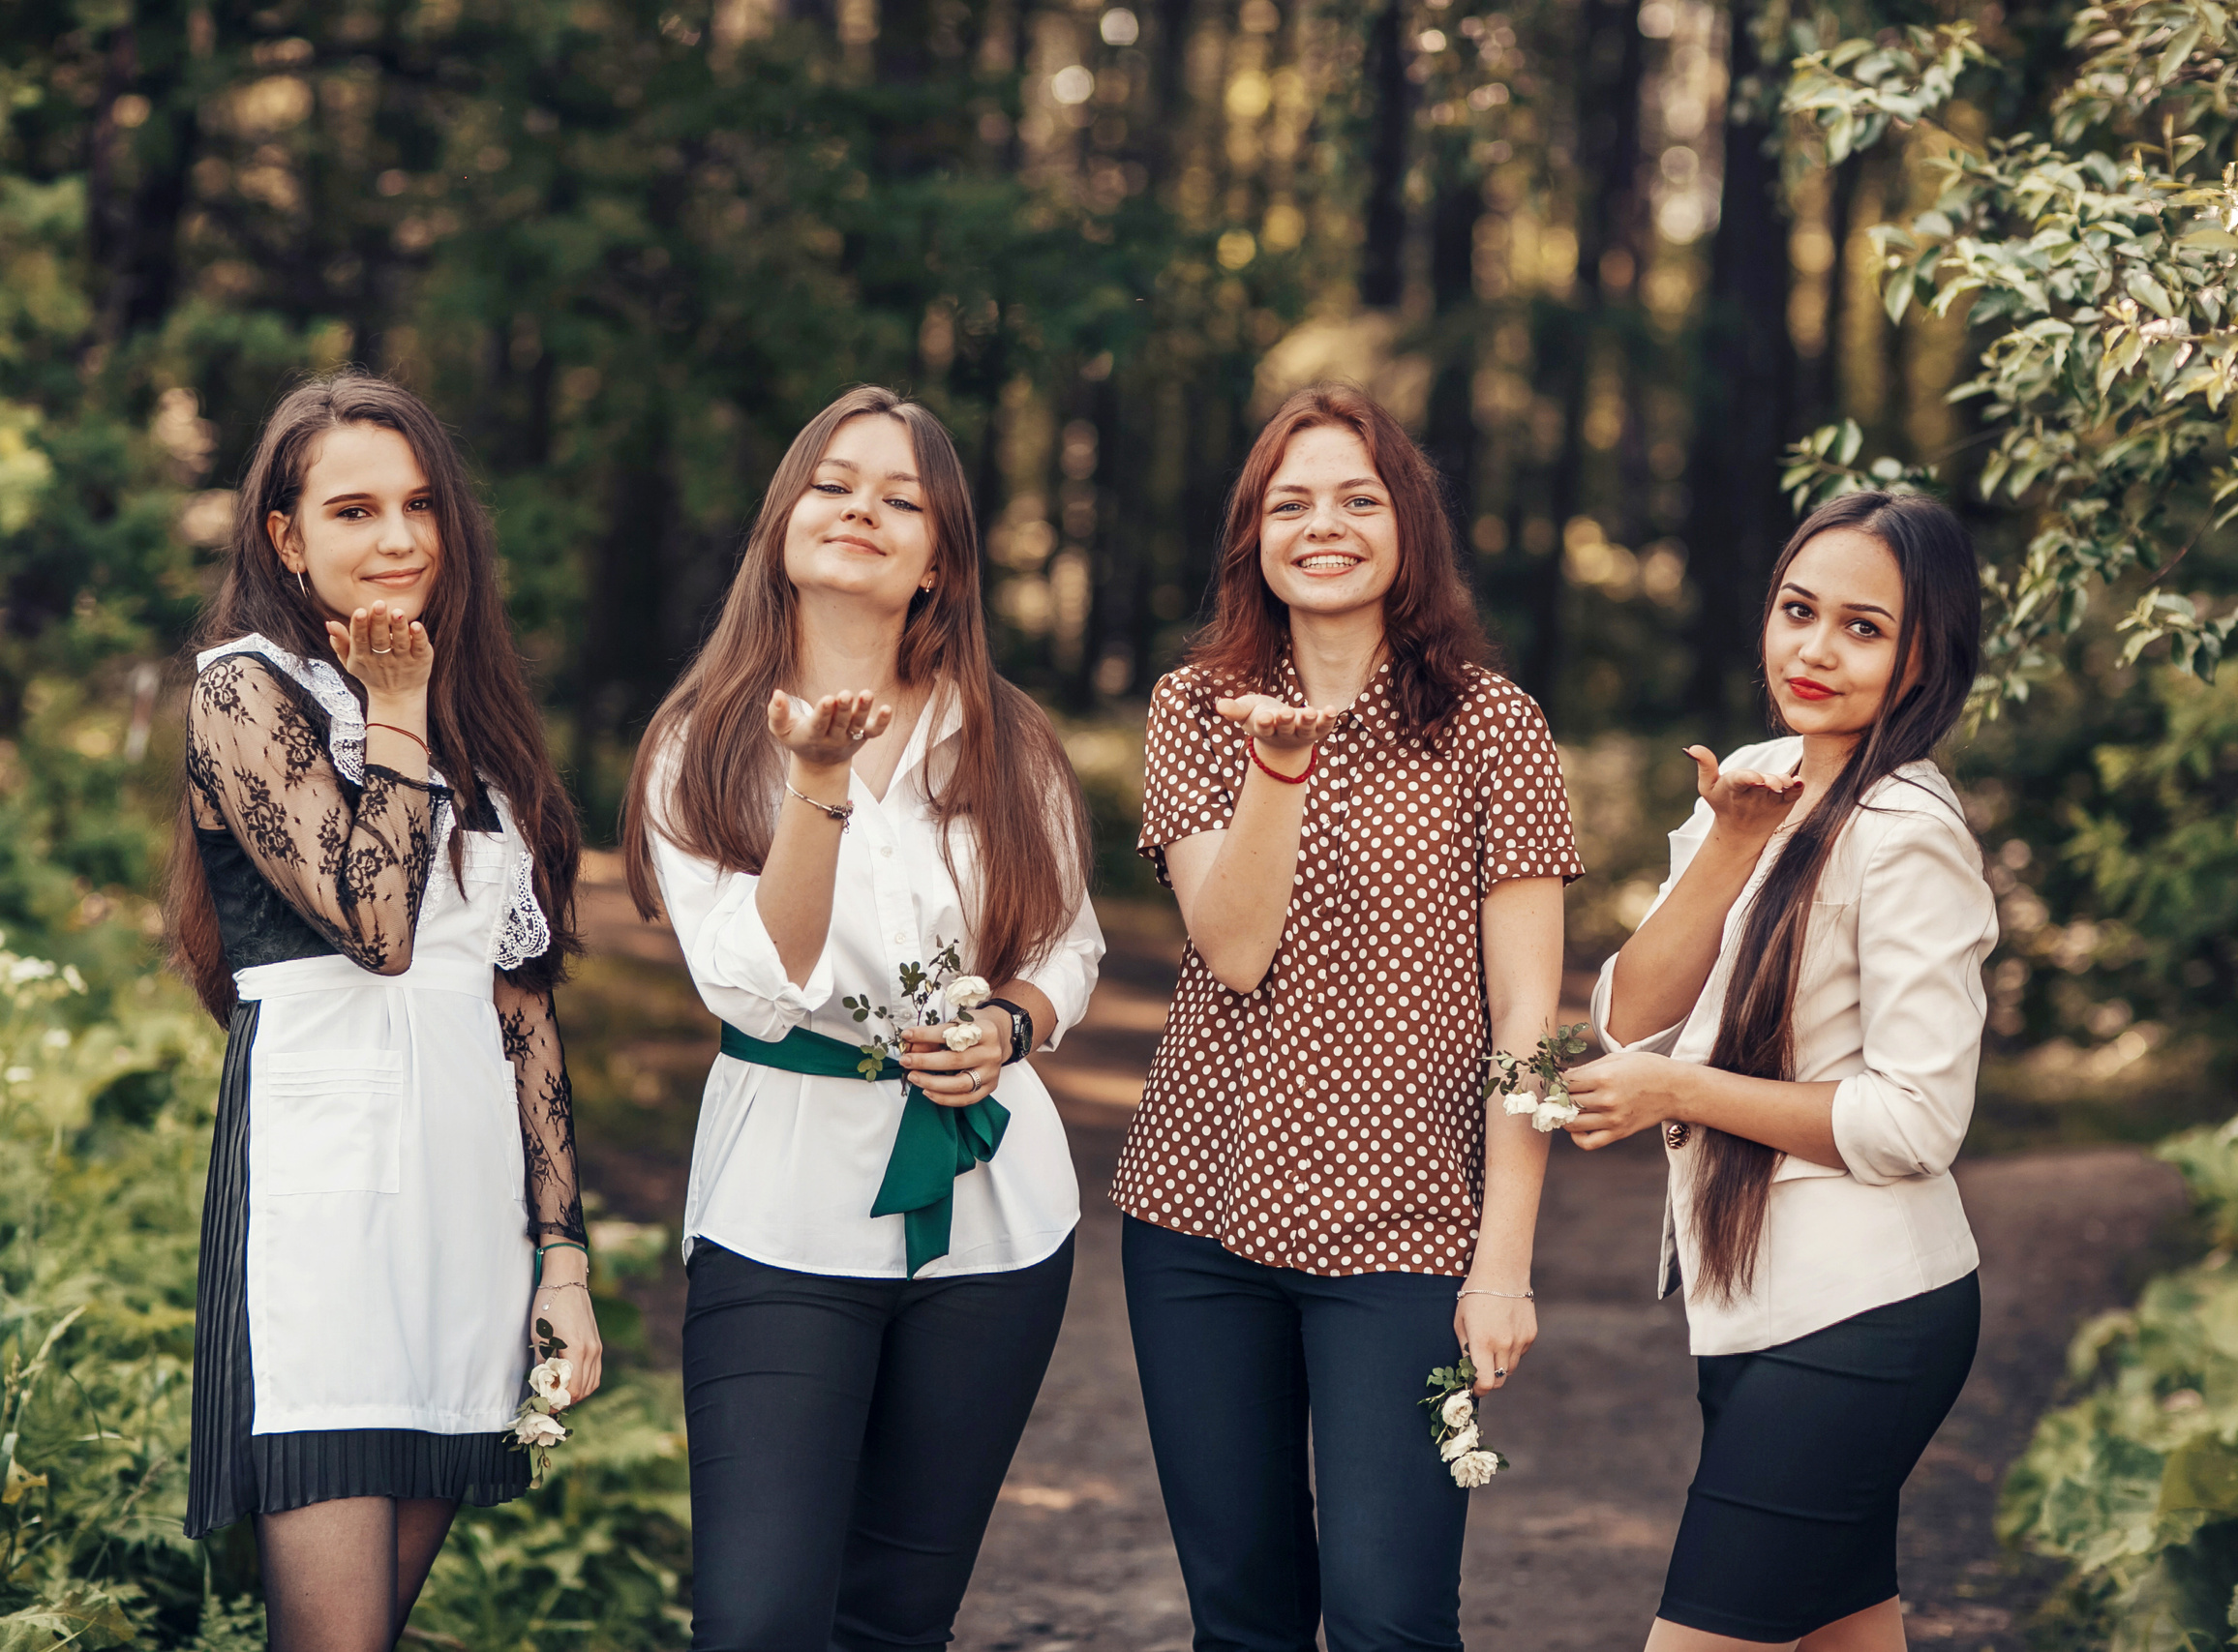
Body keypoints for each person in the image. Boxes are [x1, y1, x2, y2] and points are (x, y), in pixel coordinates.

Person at [620, 386, 1104, 1652]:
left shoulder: (1005, 741)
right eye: (833, 484)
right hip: (781, 1210)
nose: (861, 511)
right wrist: (819, 786)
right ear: (784, 522)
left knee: (895, 1619)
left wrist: (1011, 1023)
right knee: (758, 1619)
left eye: (902, 499)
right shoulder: (698, 741)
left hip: (994, 1225)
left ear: (937, 561)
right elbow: (752, 981)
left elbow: (1068, 944)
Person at [1112, 382, 1581, 1651]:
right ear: (1253, 536)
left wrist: (1503, 1260)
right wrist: (1281, 766)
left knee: (1392, 1614)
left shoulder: (1495, 727)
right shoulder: (1192, 708)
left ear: (1407, 527)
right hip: (1199, 1218)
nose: (1324, 525)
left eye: (1358, 500)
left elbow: (1529, 1018)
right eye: (1291, 503)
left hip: (1411, 1234)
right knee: (1245, 1616)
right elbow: (1234, 946)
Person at [166, 373, 599, 1652]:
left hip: (466, 1220)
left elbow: (522, 1017)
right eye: (353, 510)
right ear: (286, 538)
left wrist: (561, 1257)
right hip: (325, 1214)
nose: (400, 537)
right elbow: (379, 927)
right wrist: (396, 714)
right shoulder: (245, 693)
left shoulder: (483, 736)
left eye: (420, 505)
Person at [1570, 491, 1995, 1650]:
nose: (1813, 650)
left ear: (1924, 658)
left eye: (1863, 628)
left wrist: (1681, 1093)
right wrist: (1729, 843)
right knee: (1845, 1632)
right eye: (1797, 611)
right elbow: (1629, 1019)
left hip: (1863, 1315)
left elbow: (1915, 1121)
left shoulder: (1908, 833)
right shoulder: (1758, 777)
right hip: (1757, 1307)